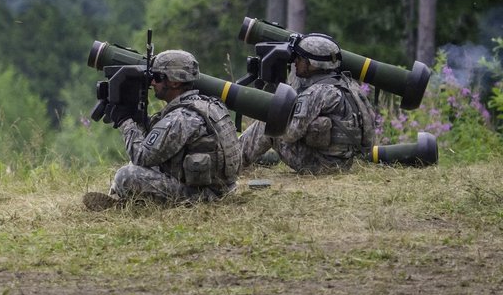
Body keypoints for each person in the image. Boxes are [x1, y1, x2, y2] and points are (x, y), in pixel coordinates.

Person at [83, 50, 242, 209]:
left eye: (158, 77)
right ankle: (127, 201)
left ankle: (123, 205)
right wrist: (139, 118)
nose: (152, 82)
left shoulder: (181, 118)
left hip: (203, 197)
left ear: (174, 82)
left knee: (126, 176)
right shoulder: (208, 105)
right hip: (223, 189)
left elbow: (141, 156)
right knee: (139, 168)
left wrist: (125, 121)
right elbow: (158, 144)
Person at [239, 33, 377, 174]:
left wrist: (277, 114)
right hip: (345, 163)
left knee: (268, 123)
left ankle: (233, 161)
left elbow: (290, 134)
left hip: (324, 166)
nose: (295, 62)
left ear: (312, 64)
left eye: (300, 59)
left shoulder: (316, 93)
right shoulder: (348, 84)